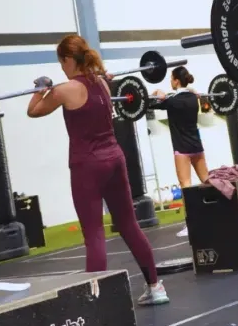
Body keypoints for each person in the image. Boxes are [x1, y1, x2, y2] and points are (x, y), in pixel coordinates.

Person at [27, 35, 168, 305]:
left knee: (93, 233)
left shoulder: (64, 90)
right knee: (129, 225)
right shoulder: (102, 82)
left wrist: (40, 88)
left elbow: (33, 111)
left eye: (61, 63)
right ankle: (156, 286)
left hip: (87, 165)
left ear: (69, 60)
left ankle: (98, 306)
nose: (61, 69)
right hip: (115, 159)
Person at [150, 66, 208, 238]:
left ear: (176, 80)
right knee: (207, 181)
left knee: (186, 187)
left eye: (171, 78)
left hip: (182, 149)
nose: (170, 81)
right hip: (197, 146)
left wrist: (157, 95)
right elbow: (188, 93)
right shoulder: (193, 98)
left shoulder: (172, 102)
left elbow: (150, 104)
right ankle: (217, 214)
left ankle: (192, 224)